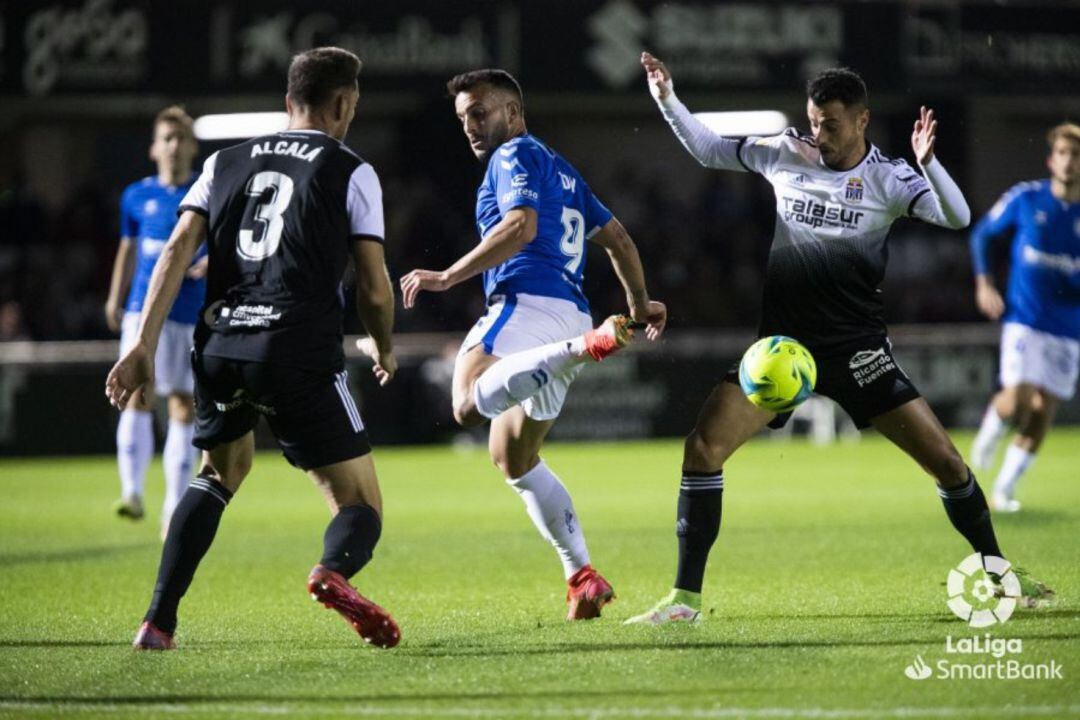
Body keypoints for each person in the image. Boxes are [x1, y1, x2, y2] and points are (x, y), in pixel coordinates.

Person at [626, 52, 1053, 625]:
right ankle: (685, 601)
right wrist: (666, 99)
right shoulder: (785, 152)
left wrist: (929, 165)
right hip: (782, 352)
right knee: (702, 449)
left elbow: (956, 216)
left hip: (858, 351)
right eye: (812, 120)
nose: (818, 133)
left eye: (830, 123)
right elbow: (709, 148)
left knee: (948, 463)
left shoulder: (891, 177)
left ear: (861, 121)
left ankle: (1002, 575)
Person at [106, 47, 401, 650]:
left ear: (289, 102)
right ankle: (331, 572)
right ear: (344, 104)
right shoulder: (351, 169)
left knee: (219, 472)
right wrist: (384, 345)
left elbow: (175, 250)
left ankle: (158, 622)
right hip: (297, 350)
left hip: (221, 346)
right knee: (360, 503)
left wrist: (141, 344)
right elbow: (373, 284)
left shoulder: (224, 162)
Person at [393, 69, 666, 620]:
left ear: (513, 114)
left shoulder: (512, 156)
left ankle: (581, 348)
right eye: (463, 117)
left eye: (480, 113)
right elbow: (618, 239)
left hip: (529, 307)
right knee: (513, 456)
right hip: (571, 312)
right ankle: (582, 575)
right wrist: (639, 307)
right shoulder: (563, 169)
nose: (471, 126)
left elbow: (519, 226)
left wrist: (446, 277)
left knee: (465, 403)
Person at [104, 106, 207, 534]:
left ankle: (172, 507)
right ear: (154, 147)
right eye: (167, 138)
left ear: (192, 147)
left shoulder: (206, 190)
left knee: (182, 402)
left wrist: (210, 264)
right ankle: (131, 492)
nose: (175, 146)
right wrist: (115, 296)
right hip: (142, 312)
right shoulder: (136, 195)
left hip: (187, 311)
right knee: (134, 395)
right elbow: (128, 248)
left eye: (182, 139)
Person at [969, 123, 1080, 512]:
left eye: (1076, 155)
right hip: (1025, 318)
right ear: (1052, 160)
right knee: (1019, 396)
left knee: (1042, 412)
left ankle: (1004, 489)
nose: (1069, 162)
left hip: (1070, 328)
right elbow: (982, 234)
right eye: (1063, 154)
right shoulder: (1026, 198)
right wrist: (984, 284)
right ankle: (990, 429)